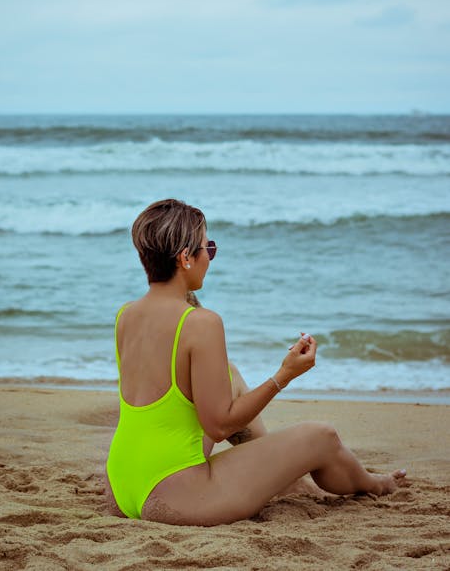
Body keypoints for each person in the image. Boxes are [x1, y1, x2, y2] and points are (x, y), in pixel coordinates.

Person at [106, 198, 406, 526]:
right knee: (323, 437)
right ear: (185, 259)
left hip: (122, 485)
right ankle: (377, 484)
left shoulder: (126, 315)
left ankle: (285, 477)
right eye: (208, 248)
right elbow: (219, 425)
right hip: (175, 495)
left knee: (229, 375)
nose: (210, 256)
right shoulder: (201, 322)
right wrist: (284, 375)